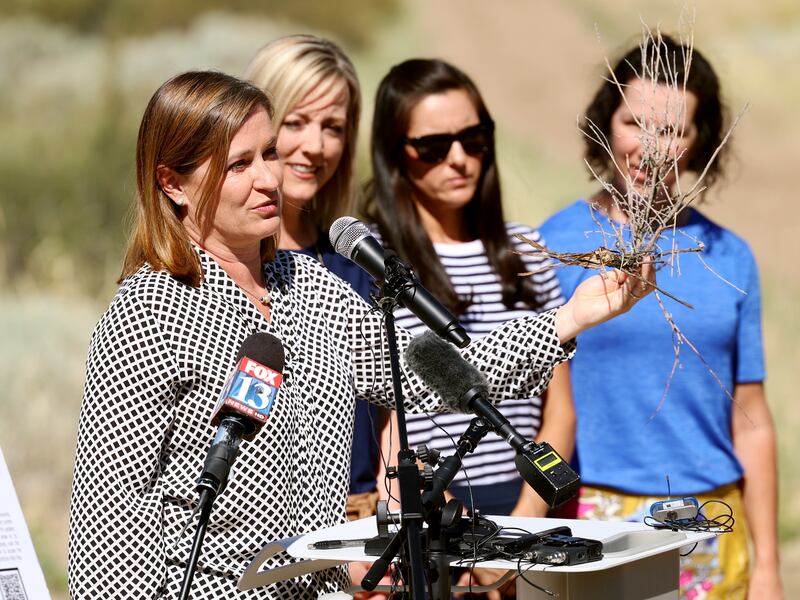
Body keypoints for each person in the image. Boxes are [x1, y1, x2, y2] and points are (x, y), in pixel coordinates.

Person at [67, 70, 651, 600]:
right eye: (239, 165)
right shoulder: (147, 311)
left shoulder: (311, 287)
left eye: (268, 153)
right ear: (173, 183)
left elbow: (435, 373)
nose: (270, 177)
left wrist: (569, 318)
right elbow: (109, 539)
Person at [539, 35, 782, 599]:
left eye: (672, 131)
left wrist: (768, 566)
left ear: (700, 144)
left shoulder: (729, 256)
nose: (648, 147)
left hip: (710, 521)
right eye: (633, 123)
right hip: (588, 519)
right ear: (605, 123)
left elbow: (752, 418)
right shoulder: (553, 244)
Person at [363, 58, 575, 597]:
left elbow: (560, 407)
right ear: (395, 155)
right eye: (434, 147)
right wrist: (466, 539)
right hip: (433, 519)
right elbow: (390, 424)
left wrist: (521, 529)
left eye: (473, 139)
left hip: (530, 508)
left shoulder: (527, 251)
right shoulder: (377, 267)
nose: (458, 159)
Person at [243, 35, 387, 526]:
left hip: (366, 522)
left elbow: (392, 403)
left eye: (333, 127)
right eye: (296, 122)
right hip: (258, 535)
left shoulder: (355, 255)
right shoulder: (227, 265)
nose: (315, 146)